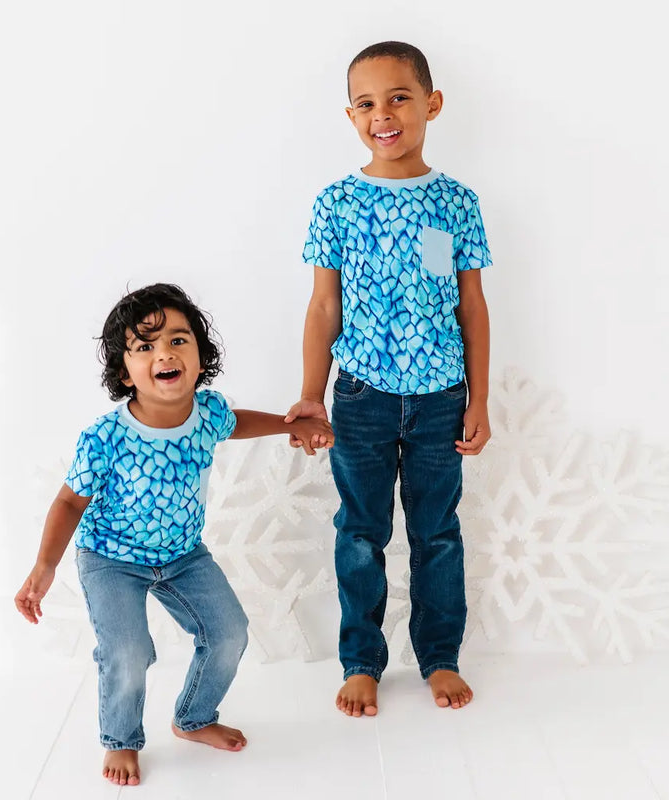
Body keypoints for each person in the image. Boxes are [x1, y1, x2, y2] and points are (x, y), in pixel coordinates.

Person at [15, 283, 333, 786]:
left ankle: (193, 718)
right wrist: (44, 565)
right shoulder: (105, 438)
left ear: (200, 357)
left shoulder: (207, 414)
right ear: (125, 372)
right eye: (145, 346)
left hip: (183, 555)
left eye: (178, 341)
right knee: (128, 652)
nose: (164, 353)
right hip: (111, 559)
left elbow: (236, 423)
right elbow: (70, 501)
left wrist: (289, 426)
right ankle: (121, 739)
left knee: (228, 634)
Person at [285, 41, 492, 717]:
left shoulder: (455, 203)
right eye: (367, 103)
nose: (384, 114)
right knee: (360, 532)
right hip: (361, 397)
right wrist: (311, 396)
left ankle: (440, 655)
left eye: (399, 97)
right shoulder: (337, 203)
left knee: (437, 534)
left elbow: (470, 306)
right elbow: (324, 307)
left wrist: (479, 400)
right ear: (351, 117)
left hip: (440, 398)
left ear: (432, 104)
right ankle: (361, 661)